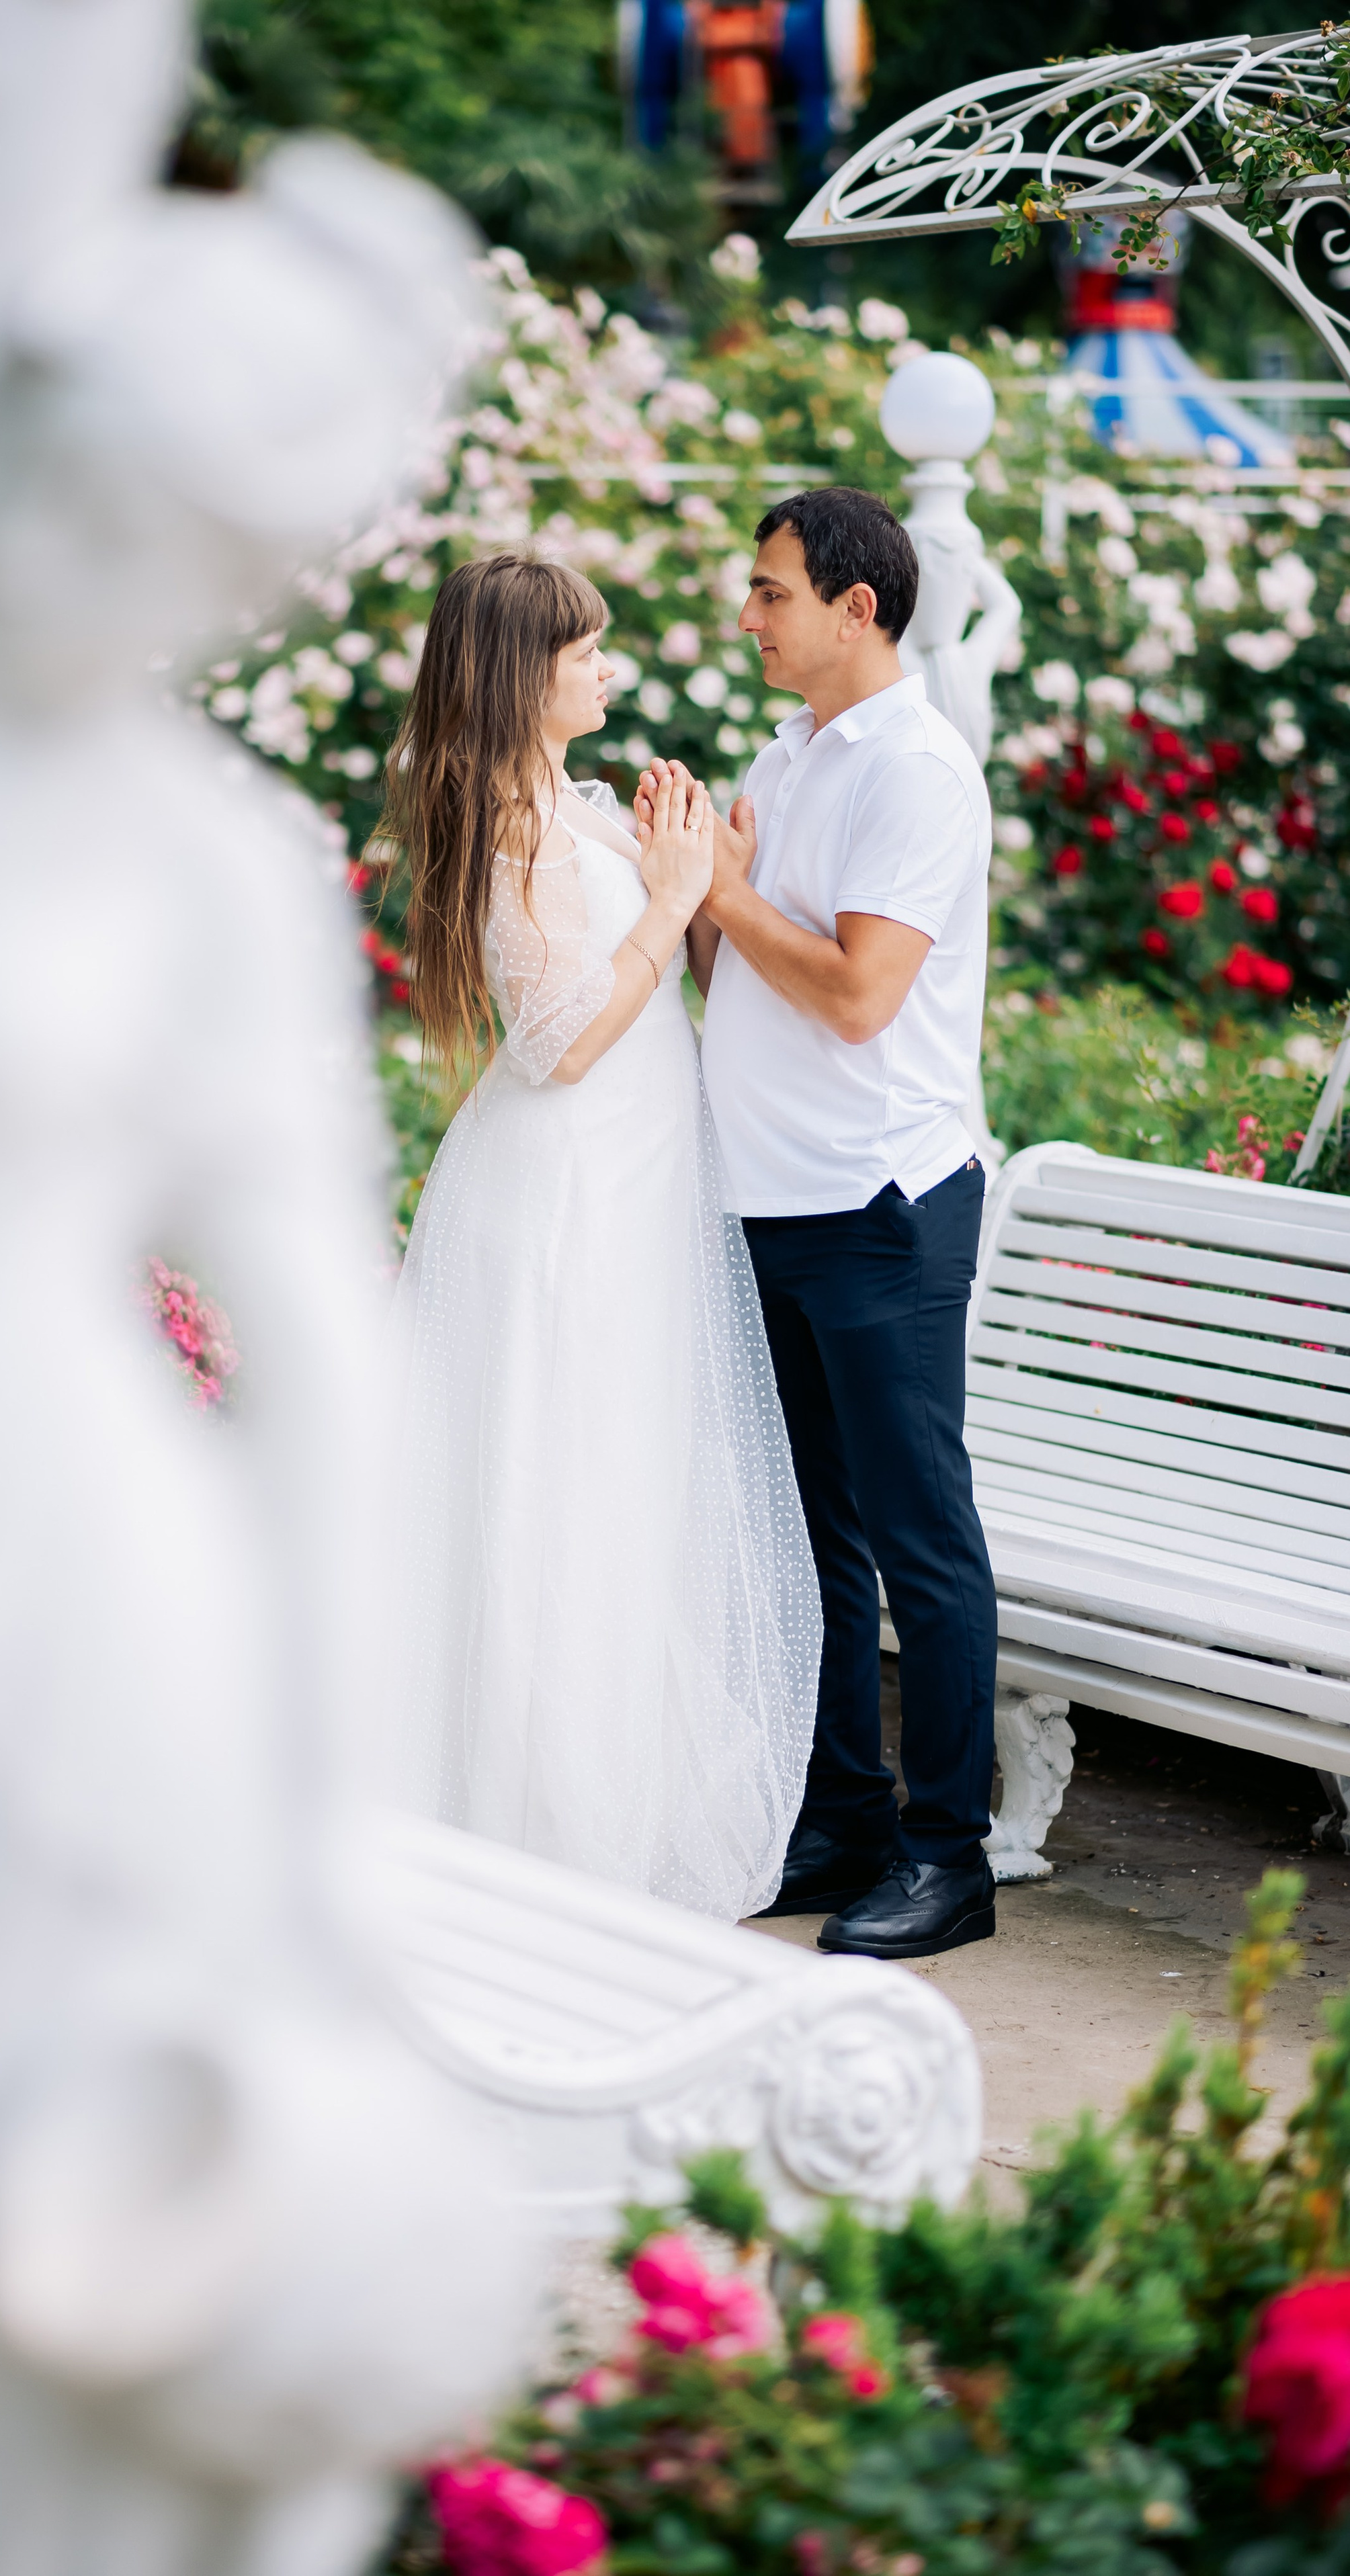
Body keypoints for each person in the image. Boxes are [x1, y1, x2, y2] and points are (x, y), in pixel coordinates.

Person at [380, 552, 821, 1921]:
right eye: (585, 653)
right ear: (524, 672)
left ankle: (593, 1787)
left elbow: (649, 969)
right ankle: (535, 1819)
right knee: (558, 1489)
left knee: (614, 1485)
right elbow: (561, 1042)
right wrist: (674, 897)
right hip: (566, 1192)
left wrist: (689, 874)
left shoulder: (560, 806)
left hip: (627, 1183)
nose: (607, 668)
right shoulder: (502, 818)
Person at [647, 485, 998, 1962]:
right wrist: (694, 900)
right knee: (810, 1541)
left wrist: (720, 894)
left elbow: (857, 999)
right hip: (767, 1197)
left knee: (920, 1541)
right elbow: (738, 975)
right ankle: (842, 1818)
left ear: (858, 607)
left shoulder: (916, 772)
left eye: (769, 591)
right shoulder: (780, 757)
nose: (747, 615)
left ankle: (947, 1857)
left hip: (877, 1200)